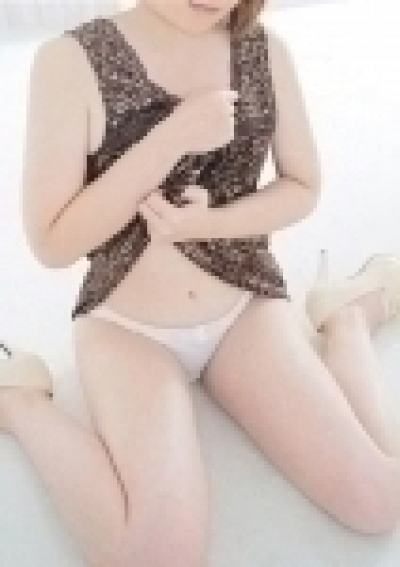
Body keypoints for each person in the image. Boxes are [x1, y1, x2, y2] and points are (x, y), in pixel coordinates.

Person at [2, 0, 400, 565]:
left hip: (241, 303)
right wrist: (169, 139)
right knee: (160, 555)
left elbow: (302, 185)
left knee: (379, 499)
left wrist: (206, 224)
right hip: (127, 325)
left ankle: (348, 317)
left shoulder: (263, 50)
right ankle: (19, 399)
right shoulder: (69, 61)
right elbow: (53, 242)